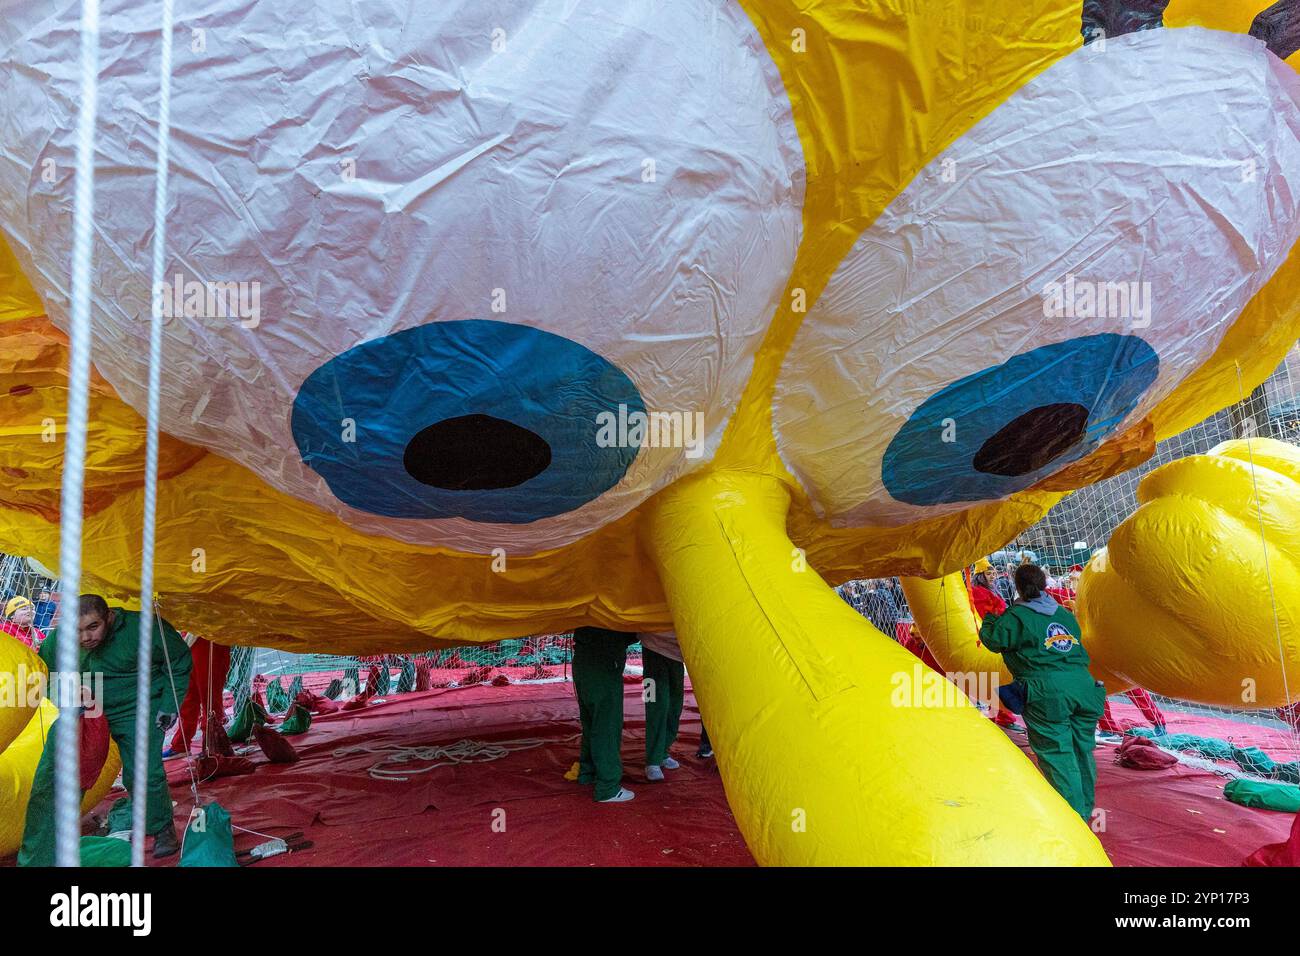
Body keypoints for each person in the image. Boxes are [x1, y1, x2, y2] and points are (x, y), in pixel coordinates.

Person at [18, 594, 193, 864]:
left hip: (136, 704)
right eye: (78, 630)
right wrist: (66, 697)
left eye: (93, 627)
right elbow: (47, 673)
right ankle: (41, 852)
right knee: (57, 774)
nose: (85, 637)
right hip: (87, 707)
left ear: (109, 617)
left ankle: (161, 828)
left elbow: (179, 660)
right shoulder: (61, 638)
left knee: (143, 771)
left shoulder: (141, 628)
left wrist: (169, 704)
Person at [979, 564, 1105, 822]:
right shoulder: (1064, 614)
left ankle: (1074, 820)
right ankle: (1086, 810)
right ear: (1044, 584)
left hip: (1047, 692)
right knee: (1082, 750)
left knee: (1058, 753)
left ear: (1017, 586)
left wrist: (990, 617)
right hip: (1085, 687)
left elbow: (994, 640)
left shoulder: (1016, 617)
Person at [572, 626, 637, 803]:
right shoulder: (609, 611)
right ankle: (608, 787)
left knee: (591, 722)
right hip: (604, 661)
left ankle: (587, 772)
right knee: (607, 725)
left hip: (583, 659)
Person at [164, 633, 232, 758]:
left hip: (209, 638)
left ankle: (212, 744)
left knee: (210, 697)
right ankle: (181, 744)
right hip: (187, 640)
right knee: (187, 697)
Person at [639, 629, 685, 782]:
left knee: (675, 705)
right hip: (653, 650)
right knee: (655, 705)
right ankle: (653, 761)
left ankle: (663, 752)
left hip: (676, 655)